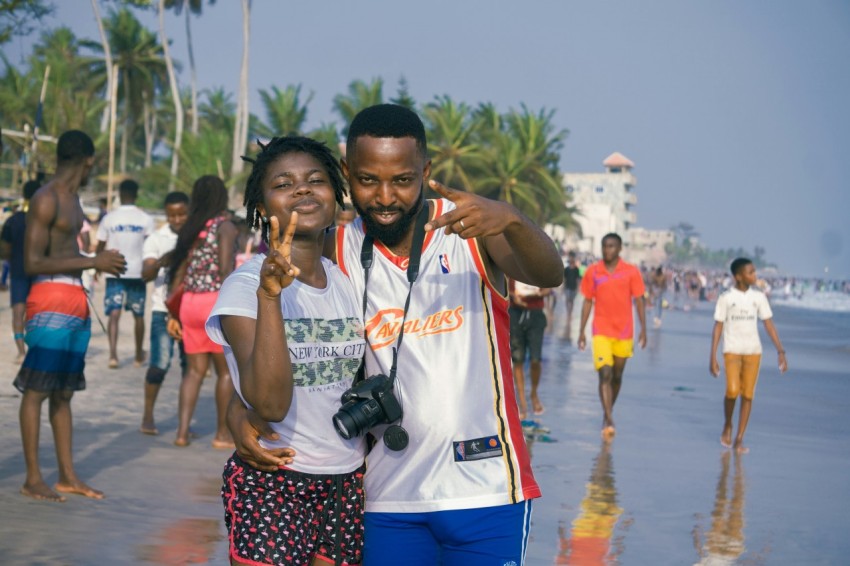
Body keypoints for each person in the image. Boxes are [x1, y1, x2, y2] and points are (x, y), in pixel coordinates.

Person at [230, 104, 564, 565]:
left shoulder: (470, 228)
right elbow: (306, 352)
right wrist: (235, 407)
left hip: (487, 490)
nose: (386, 197)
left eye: (403, 180)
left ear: (424, 171)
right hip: (387, 496)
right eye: (368, 180)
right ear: (348, 174)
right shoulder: (337, 251)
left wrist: (512, 219)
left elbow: (549, 273)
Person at [207, 136, 368, 566]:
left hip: (346, 483)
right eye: (284, 183)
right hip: (274, 478)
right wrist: (270, 296)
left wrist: (232, 415)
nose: (302, 189)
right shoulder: (244, 288)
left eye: (316, 180)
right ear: (261, 208)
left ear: (336, 197)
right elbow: (270, 403)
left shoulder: (348, 283)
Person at [15, 130, 127, 501]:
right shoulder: (46, 199)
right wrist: (92, 261)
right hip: (49, 297)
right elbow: (31, 261)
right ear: (89, 160)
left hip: (74, 297)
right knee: (36, 390)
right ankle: (33, 478)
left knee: (62, 391)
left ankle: (67, 476)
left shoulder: (73, 199)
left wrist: (93, 262)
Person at [167, 175, 236, 448]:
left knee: (193, 372)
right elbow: (225, 269)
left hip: (190, 303)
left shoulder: (192, 227)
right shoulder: (225, 226)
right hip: (214, 302)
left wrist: (172, 312)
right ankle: (222, 435)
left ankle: (182, 433)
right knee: (225, 372)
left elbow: (180, 270)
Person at [710, 257, 787, 453]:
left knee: (748, 395)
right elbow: (718, 326)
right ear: (738, 276)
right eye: (750, 272)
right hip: (732, 350)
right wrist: (713, 356)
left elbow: (768, 323)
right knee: (732, 391)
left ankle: (739, 438)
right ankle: (728, 424)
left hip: (753, 352)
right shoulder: (726, 297)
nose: (755, 275)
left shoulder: (759, 297)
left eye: (754, 272)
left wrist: (780, 350)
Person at [577, 233, 646, 441]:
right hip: (601, 332)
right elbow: (588, 301)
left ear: (620, 248)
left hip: (624, 333)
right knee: (604, 374)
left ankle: (608, 413)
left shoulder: (631, 272)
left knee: (617, 376)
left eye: (612, 246)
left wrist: (644, 328)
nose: (608, 250)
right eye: (605, 246)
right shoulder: (593, 272)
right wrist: (581, 331)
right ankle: (608, 417)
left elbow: (640, 300)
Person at [139, 191, 189, 435]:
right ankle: (148, 416)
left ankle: (184, 424)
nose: (177, 219)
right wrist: (162, 261)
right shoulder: (157, 239)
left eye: (182, 214)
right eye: (172, 215)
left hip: (189, 312)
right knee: (159, 365)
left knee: (190, 369)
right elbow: (145, 273)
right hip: (162, 310)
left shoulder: (196, 237)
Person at [95, 178, 154, 369]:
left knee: (114, 313)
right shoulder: (145, 219)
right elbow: (151, 247)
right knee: (138, 315)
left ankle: (113, 356)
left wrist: (97, 266)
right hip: (138, 272)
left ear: (119, 195)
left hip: (114, 271)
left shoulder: (109, 218)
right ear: (136, 195)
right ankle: (138, 355)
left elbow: (101, 245)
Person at [1, 180, 40, 361]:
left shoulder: (12, 221)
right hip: (41, 272)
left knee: (18, 312)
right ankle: (36, 349)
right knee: (38, 313)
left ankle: (21, 352)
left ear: (24, 196)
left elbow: (4, 251)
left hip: (18, 272)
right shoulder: (43, 222)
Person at [509, 278, 550, 419]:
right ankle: (522, 402)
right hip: (515, 313)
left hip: (536, 314)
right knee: (517, 359)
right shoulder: (510, 261)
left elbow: (548, 288)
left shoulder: (539, 261)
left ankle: (533, 393)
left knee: (535, 360)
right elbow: (502, 286)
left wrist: (537, 294)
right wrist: (513, 296)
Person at [561, 250, 582, 342]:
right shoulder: (566, 269)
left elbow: (578, 279)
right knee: (567, 300)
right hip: (567, 287)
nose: (571, 259)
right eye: (570, 257)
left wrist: (578, 288)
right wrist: (563, 287)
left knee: (571, 301)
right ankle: (568, 312)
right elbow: (564, 279)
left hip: (573, 287)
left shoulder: (576, 269)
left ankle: (570, 312)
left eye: (572, 257)